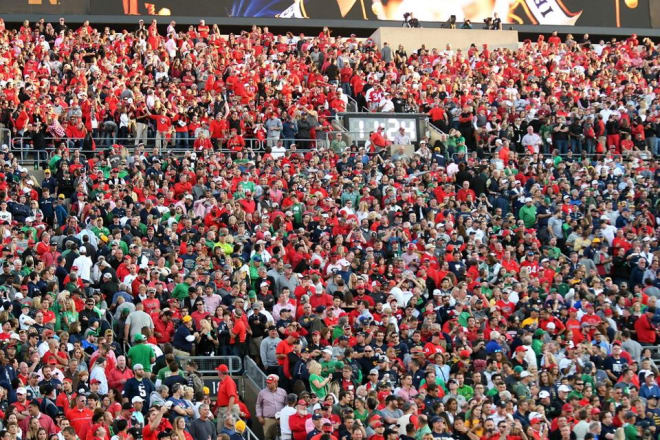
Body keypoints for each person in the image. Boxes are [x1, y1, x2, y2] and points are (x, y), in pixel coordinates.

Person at [256, 374, 287, 440]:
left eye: (269, 383)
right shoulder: (262, 393)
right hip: (268, 420)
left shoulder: (283, 392)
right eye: (267, 383)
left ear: (275, 383)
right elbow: (258, 405)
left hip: (280, 420)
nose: (267, 384)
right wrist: (259, 417)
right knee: (268, 438)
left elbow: (286, 405)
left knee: (281, 438)